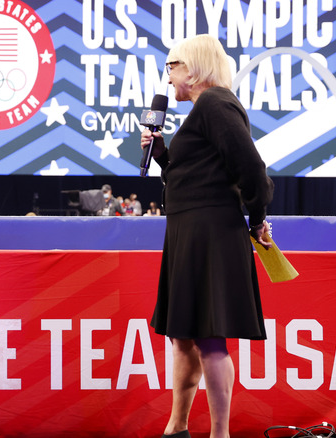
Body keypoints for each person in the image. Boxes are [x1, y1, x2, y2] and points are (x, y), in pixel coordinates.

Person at [141, 35, 273, 438]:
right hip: (188, 230)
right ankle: (177, 426)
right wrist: (163, 154)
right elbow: (195, 174)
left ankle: (220, 433)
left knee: (210, 337)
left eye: (172, 66)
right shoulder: (203, 111)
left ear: (194, 67)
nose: (168, 77)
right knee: (183, 335)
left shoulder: (216, 103)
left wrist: (257, 219)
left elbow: (252, 169)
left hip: (210, 233)